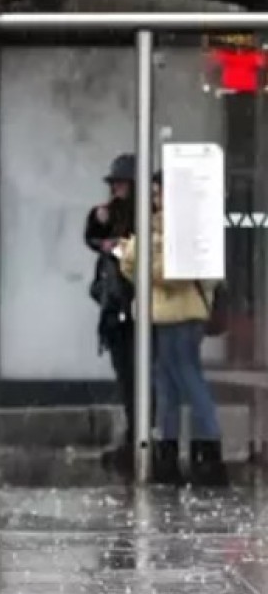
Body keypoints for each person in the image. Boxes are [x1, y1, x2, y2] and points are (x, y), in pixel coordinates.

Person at [120, 177, 229, 487]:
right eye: (154, 194)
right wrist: (144, 259)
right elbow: (130, 263)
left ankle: (206, 449)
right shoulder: (156, 224)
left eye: (160, 193)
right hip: (163, 314)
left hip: (182, 314)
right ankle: (170, 452)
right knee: (167, 384)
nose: (156, 200)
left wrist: (147, 262)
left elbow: (175, 271)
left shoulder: (187, 227)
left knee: (186, 378)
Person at [84, 154, 143, 474]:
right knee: (126, 377)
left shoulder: (142, 214)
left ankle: (140, 436)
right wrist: (99, 223)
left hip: (132, 307)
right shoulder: (111, 212)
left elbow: (136, 255)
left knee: (138, 377)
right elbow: (92, 239)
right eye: (114, 184)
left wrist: (116, 246)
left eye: (121, 184)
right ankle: (134, 434)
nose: (116, 189)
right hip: (115, 308)